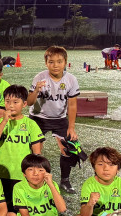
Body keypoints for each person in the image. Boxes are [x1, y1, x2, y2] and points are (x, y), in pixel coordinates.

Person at [27, 46, 81, 193]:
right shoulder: (39, 77)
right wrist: (36, 90)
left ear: (65, 62)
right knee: (35, 152)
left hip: (59, 119)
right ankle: (34, 181)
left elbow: (72, 105)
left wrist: (71, 127)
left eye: (59, 61)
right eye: (51, 62)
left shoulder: (71, 79)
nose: (55, 65)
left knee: (68, 149)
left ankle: (65, 181)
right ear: (46, 63)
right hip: (38, 118)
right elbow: (29, 102)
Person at [0, 84, 45, 202]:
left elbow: (37, 153)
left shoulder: (31, 124)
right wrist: (4, 121)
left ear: (24, 104)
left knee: (20, 207)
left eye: (15, 102)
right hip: (1, 173)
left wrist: (35, 173)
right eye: (7, 101)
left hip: (22, 174)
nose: (11, 105)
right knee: (2, 206)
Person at [12, 154, 79, 216]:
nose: (35, 173)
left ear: (47, 173)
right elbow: (25, 215)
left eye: (40, 170)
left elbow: (62, 209)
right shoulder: (19, 187)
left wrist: (51, 185)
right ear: (24, 174)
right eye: (30, 169)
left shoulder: (52, 184)